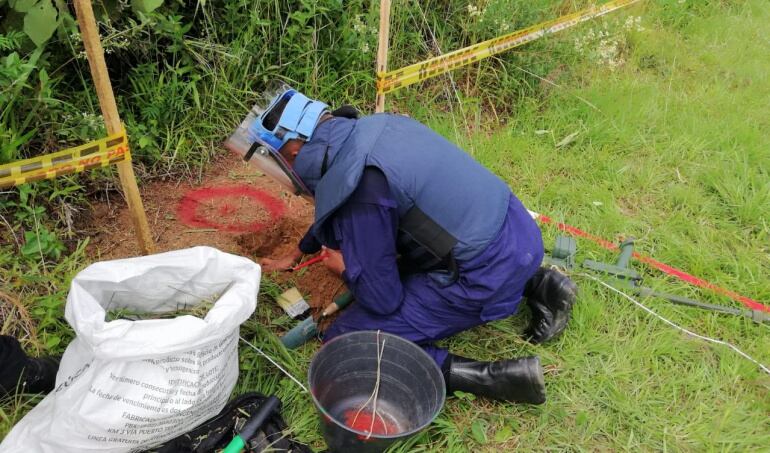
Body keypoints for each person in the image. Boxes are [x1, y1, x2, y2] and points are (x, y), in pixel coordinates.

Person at [229, 84, 577, 404]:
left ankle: (494, 378)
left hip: (486, 273)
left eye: (276, 161)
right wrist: (299, 251)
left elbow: (383, 299)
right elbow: (352, 207)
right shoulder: (376, 128)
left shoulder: (360, 188)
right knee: (411, 244)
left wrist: (347, 269)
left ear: (293, 150)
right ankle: (543, 282)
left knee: (347, 339)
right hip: (516, 231)